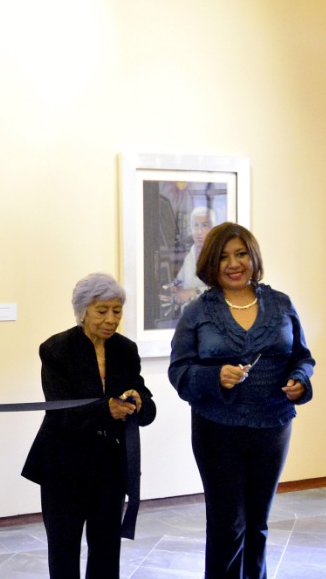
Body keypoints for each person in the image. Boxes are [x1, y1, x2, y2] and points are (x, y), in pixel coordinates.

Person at [169, 222, 314, 579]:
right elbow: (179, 371)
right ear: (210, 264)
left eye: (241, 253)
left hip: (273, 426)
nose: (234, 264)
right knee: (226, 524)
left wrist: (300, 381)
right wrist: (214, 376)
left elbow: (302, 357)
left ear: (253, 256)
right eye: (223, 257)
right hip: (217, 429)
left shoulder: (281, 304)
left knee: (258, 523)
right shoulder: (197, 312)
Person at [22, 272, 156, 579]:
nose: (111, 319)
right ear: (83, 312)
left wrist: (139, 401)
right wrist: (106, 409)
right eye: (102, 311)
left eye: (117, 311)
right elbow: (60, 411)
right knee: (64, 549)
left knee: (107, 550)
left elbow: (146, 406)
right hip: (63, 467)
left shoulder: (125, 349)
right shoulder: (56, 349)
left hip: (110, 468)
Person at [172, 206, 216, 307]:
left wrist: (192, 292)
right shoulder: (189, 256)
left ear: (213, 229)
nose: (199, 231)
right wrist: (176, 288)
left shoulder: (219, 257)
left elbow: (223, 291)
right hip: (189, 316)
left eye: (204, 225)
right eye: (195, 225)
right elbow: (179, 281)